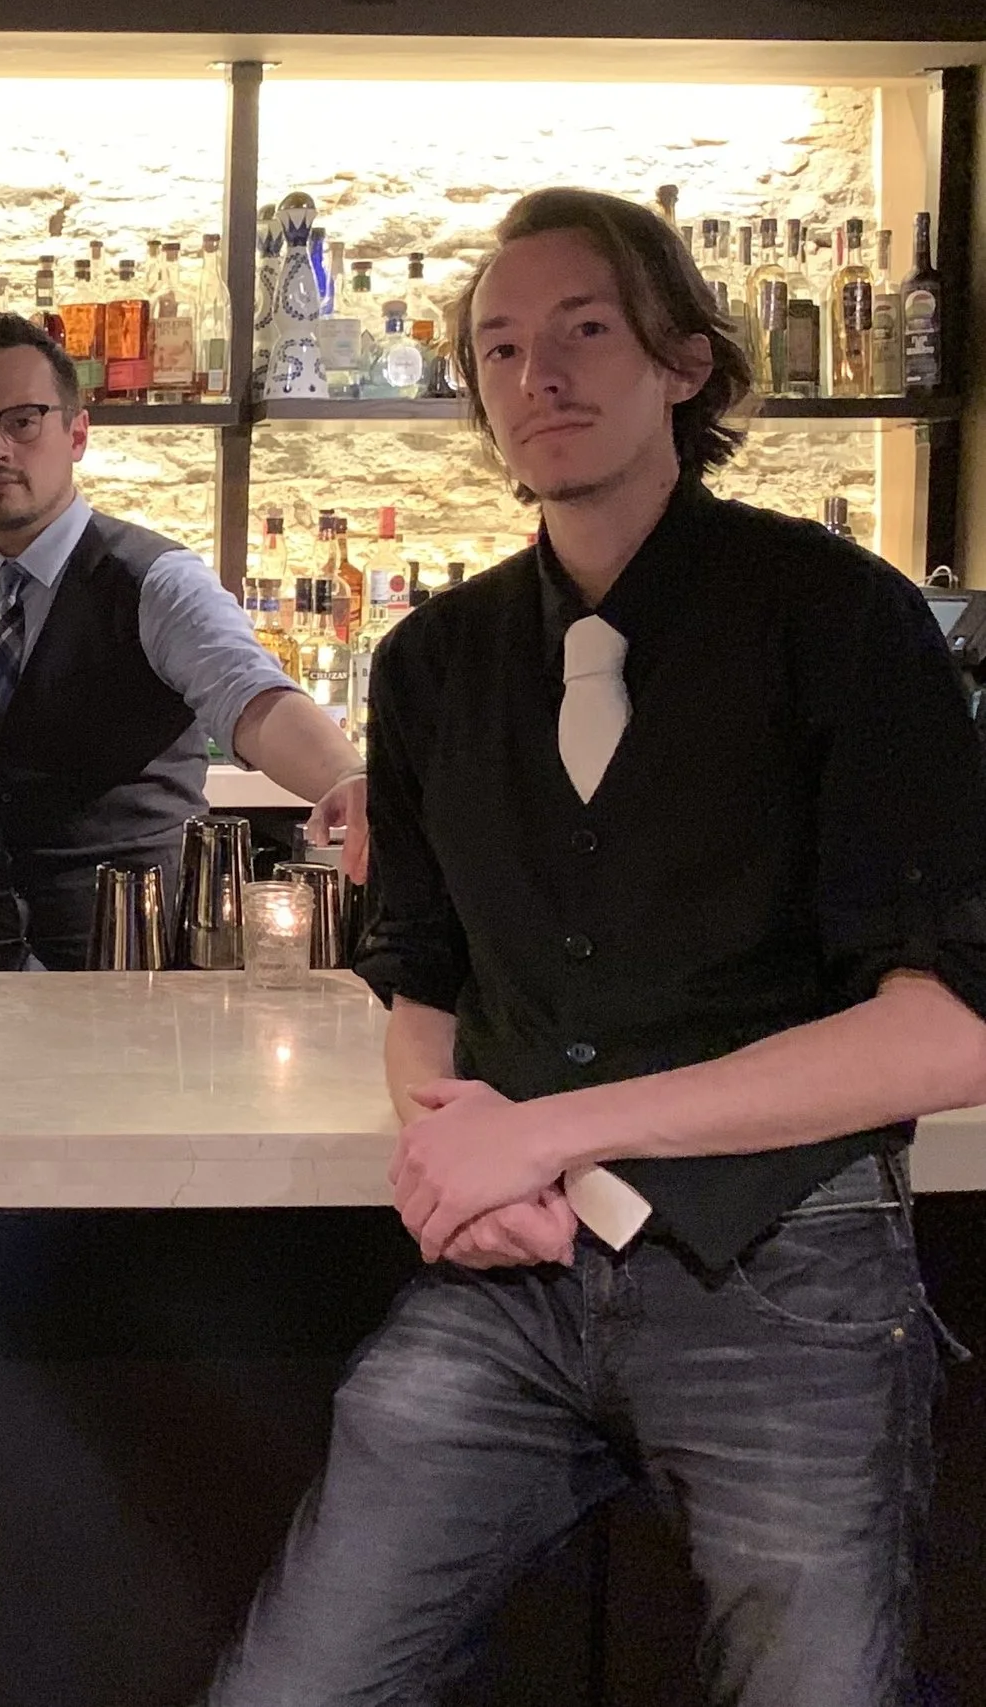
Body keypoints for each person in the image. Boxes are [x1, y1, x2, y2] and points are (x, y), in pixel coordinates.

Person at [205, 188, 986, 1704]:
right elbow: (423, 976)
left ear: (685, 363)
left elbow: (949, 1027)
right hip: (510, 1284)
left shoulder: (843, 620)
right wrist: (454, 1156)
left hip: (786, 1273)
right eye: (499, 347)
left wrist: (542, 1132)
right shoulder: (431, 660)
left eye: (583, 330)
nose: (536, 375)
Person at [0, 311, 367, 971]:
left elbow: (254, 700)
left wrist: (346, 776)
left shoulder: (158, 583)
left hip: (133, 993)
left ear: (77, 432)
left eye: (23, 420)